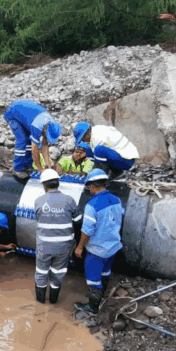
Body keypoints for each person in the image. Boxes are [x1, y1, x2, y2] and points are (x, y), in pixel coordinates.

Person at [74, 169, 125, 315]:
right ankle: (103, 296)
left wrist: (79, 247)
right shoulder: (116, 200)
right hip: (113, 246)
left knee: (93, 279)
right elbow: (120, 216)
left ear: (92, 186)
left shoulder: (92, 205)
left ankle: (93, 308)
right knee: (105, 272)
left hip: (97, 250)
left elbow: (87, 230)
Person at [33, 169, 82, 304]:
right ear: (58, 183)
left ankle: (40, 302)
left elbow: (39, 219)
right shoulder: (69, 200)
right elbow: (78, 221)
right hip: (63, 247)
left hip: (44, 246)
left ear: (44, 185)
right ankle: (53, 301)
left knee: (41, 272)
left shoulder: (38, 201)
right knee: (58, 272)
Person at [4, 100, 63, 179]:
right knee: (22, 140)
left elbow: (45, 145)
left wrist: (48, 164)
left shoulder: (51, 124)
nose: (46, 137)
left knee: (29, 140)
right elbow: (34, 150)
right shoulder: (37, 127)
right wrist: (40, 168)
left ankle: (27, 165)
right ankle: (17, 168)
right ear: (45, 130)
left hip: (26, 116)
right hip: (12, 114)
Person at [73, 122, 139, 178]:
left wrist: (94, 175)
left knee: (99, 150)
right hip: (119, 157)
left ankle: (102, 177)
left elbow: (98, 160)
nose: (83, 141)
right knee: (88, 149)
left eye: (83, 139)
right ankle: (115, 172)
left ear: (87, 135)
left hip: (127, 161)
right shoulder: (95, 130)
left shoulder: (98, 138)